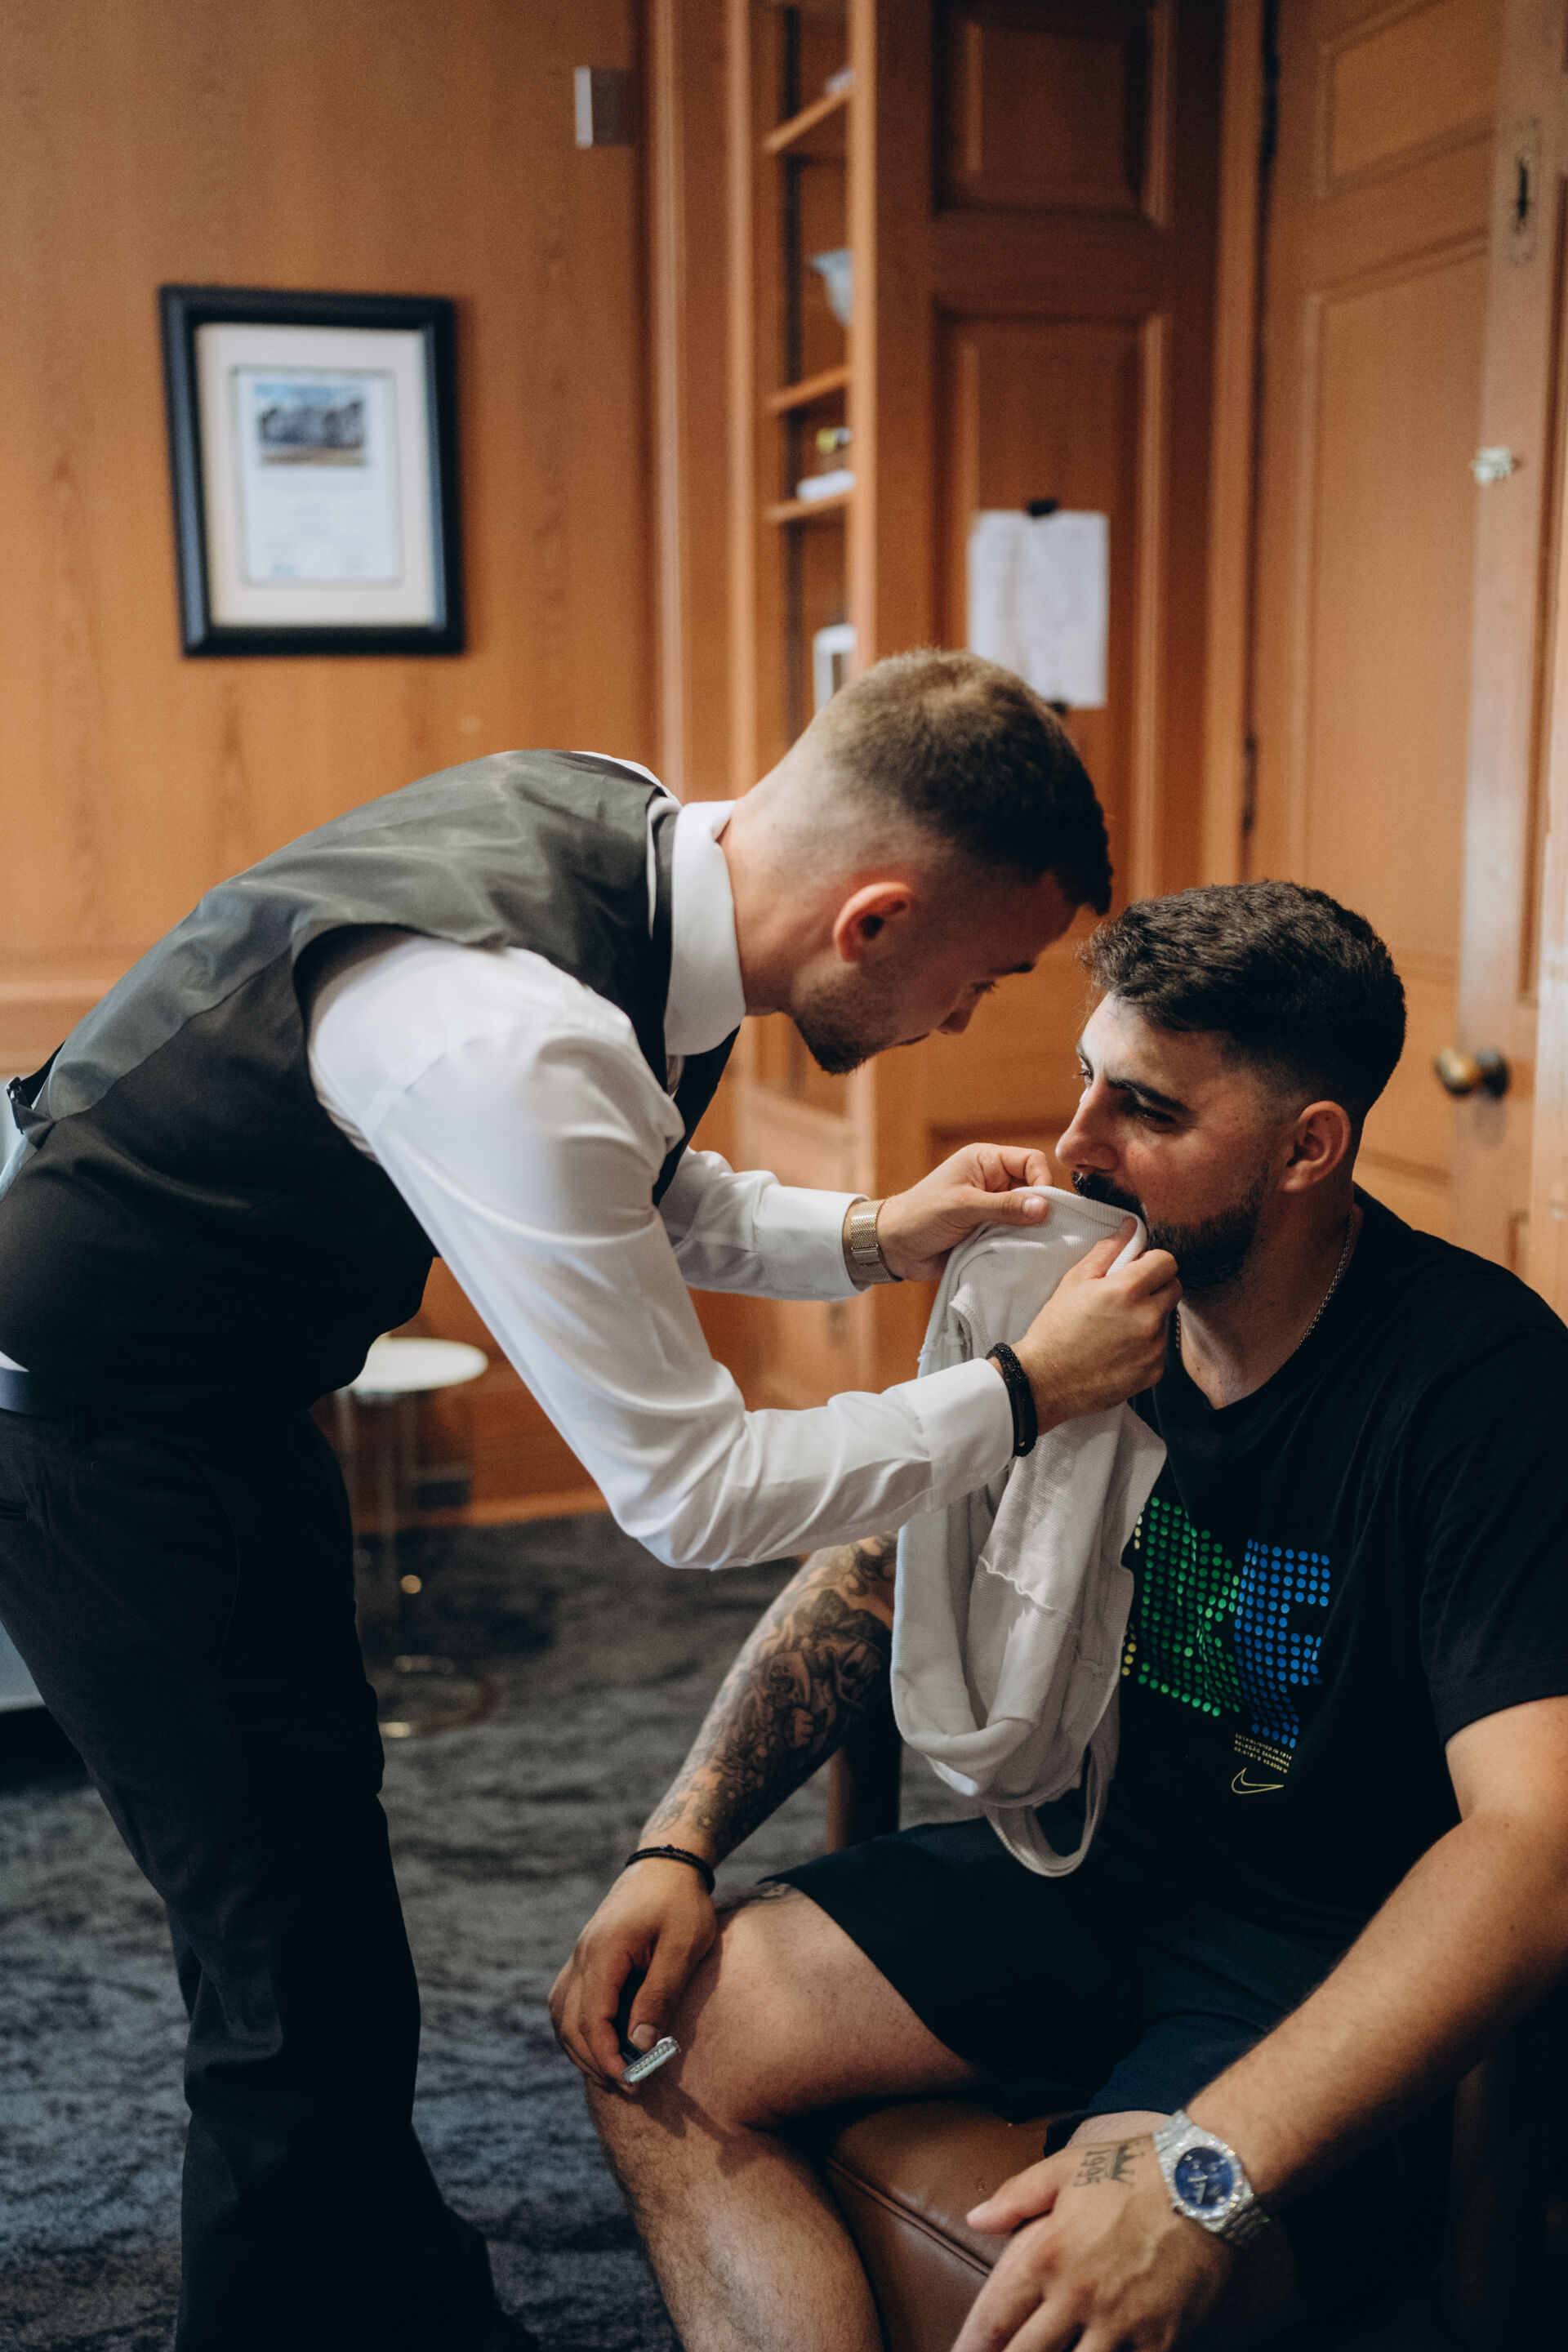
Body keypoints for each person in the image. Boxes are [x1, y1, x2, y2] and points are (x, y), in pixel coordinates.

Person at [0, 651, 1180, 2352]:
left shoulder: (628, 831)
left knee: (317, 1906)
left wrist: (876, 1234)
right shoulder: (506, 1029)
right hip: (100, 1447)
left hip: (225, 1390)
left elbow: (632, 1179)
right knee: (283, 1979)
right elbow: (691, 1496)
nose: (959, 1025)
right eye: (981, 979)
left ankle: (399, 2298)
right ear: (874, 920)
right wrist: (1022, 1392)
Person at [553, 880, 1568, 2351]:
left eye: (1146, 1108)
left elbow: (1536, 1844)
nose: (1078, 1142)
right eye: (1088, 1078)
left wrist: (1202, 2175)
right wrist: (678, 1841)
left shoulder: (1480, 1386)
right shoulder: (1091, 1303)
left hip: (1313, 1961)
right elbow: (880, 1567)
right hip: (1089, 1867)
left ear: (1309, 1147)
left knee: (1068, 2300)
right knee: (645, 2037)